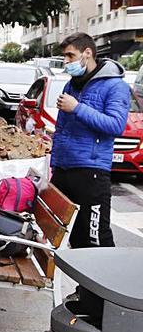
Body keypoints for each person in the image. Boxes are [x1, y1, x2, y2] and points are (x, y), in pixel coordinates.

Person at [53, 32, 129, 249]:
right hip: (64, 169)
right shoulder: (72, 85)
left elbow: (115, 126)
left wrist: (77, 108)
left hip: (91, 173)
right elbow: (62, 128)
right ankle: (83, 285)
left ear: (87, 53)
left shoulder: (115, 86)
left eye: (70, 55)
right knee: (73, 237)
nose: (66, 61)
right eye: (65, 56)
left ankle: (106, 283)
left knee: (96, 239)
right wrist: (54, 163)